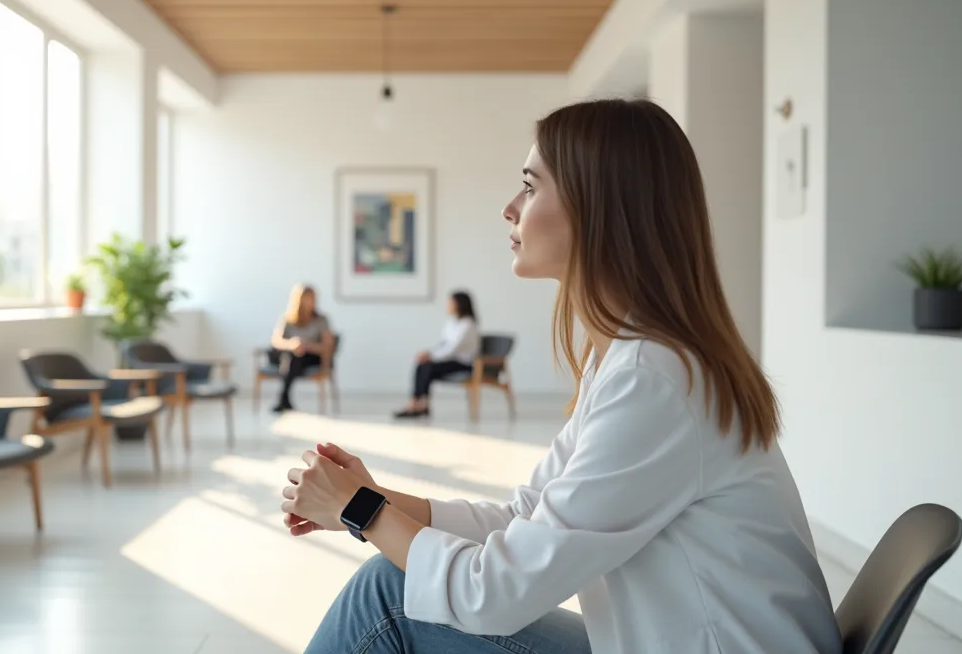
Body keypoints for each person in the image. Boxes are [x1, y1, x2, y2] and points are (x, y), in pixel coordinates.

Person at [280, 99, 842, 654]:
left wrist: (361, 511)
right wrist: (376, 498)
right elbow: (522, 518)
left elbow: (492, 594)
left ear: (599, 209)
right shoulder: (629, 359)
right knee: (392, 584)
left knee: (387, 596)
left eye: (530, 186)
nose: (510, 208)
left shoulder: (654, 380)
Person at [393, 291, 482, 419]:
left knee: (427, 366)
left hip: (464, 364)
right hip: (449, 361)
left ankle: (419, 405)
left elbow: (453, 349)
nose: (448, 305)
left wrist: (431, 356)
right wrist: (429, 354)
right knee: (422, 365)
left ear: (460, 304)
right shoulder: (451, 323)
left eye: (451, 302)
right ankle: (419, 404)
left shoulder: (468, 324)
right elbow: (443, 345)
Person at [268, 284, 333, 413]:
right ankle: (284, 400)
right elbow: (276, 341)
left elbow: (327, 346)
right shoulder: (287, 319)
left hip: (311, 356)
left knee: (293, 357)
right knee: (291, 356)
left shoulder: (321, 320)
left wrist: (307, 345)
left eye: (313, 298)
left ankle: (283, 399)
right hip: (289, 355)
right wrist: (292, 344)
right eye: (308, 298)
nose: (311, 302)